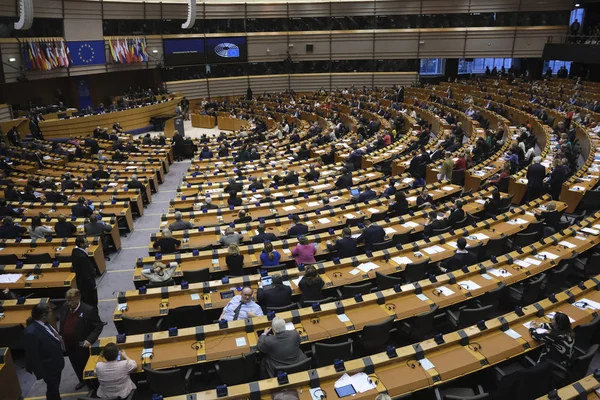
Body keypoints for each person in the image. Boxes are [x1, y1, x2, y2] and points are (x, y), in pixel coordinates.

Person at [58, 288, 103, 390]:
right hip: (68, 343)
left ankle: (94, 385)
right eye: (68, 300)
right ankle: (82, 380)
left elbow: (98, 326)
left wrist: (89, 340)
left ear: (78, 298)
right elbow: (62, 322)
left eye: (72, 300)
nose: (69, 303)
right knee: (75, 363)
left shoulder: (88, 310)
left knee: (86, 364)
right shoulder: (64, 307)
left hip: (83, 344)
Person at [24, 303, 65, 400]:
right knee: (52, 390)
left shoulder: (45, 323)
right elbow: (32, 355)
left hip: (55, 363)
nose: (52, 313)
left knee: (55, 388)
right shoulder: (31, 333)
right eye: (50, 312)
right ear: (43, 315)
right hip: (49, 369)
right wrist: (41, 374)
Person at [72, 236, 98, 308]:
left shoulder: (75, 251)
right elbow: (85, 274)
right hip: (87, 285)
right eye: (86, 242)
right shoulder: (81, 257)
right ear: (81, 244)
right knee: (93, 303)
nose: (88, 243)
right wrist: (93, 285)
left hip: (81, 283)